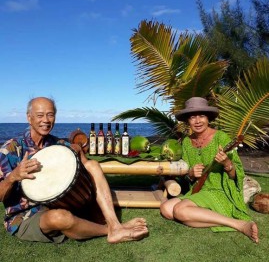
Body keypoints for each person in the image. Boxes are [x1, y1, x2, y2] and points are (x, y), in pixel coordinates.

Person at [0, 97, 148, 243]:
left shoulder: (58, 144)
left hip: (61, 204)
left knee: (92, 165)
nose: (45, 120)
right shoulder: (10, 149)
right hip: (26, 216)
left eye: (50, 114)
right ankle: (112, 230)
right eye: (40, 115)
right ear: (29, 117)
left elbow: (85, 167)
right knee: (60, 217)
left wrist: (79, 152)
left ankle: (114, 224)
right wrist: (13, 176)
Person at [160, 97, 259, 243]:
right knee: (166, 209)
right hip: (198, 191)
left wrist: (227, 163)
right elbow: (187, 177)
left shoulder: (221, 137)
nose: (198, 121)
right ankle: (208, 215)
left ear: (208, 118)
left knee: (179, 211)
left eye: (202, 116)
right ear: (188, 121)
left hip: (219, 190)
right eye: (193, 117)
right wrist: (191, 173)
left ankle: (239, 224)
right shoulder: (187, 142)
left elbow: (235, 175)